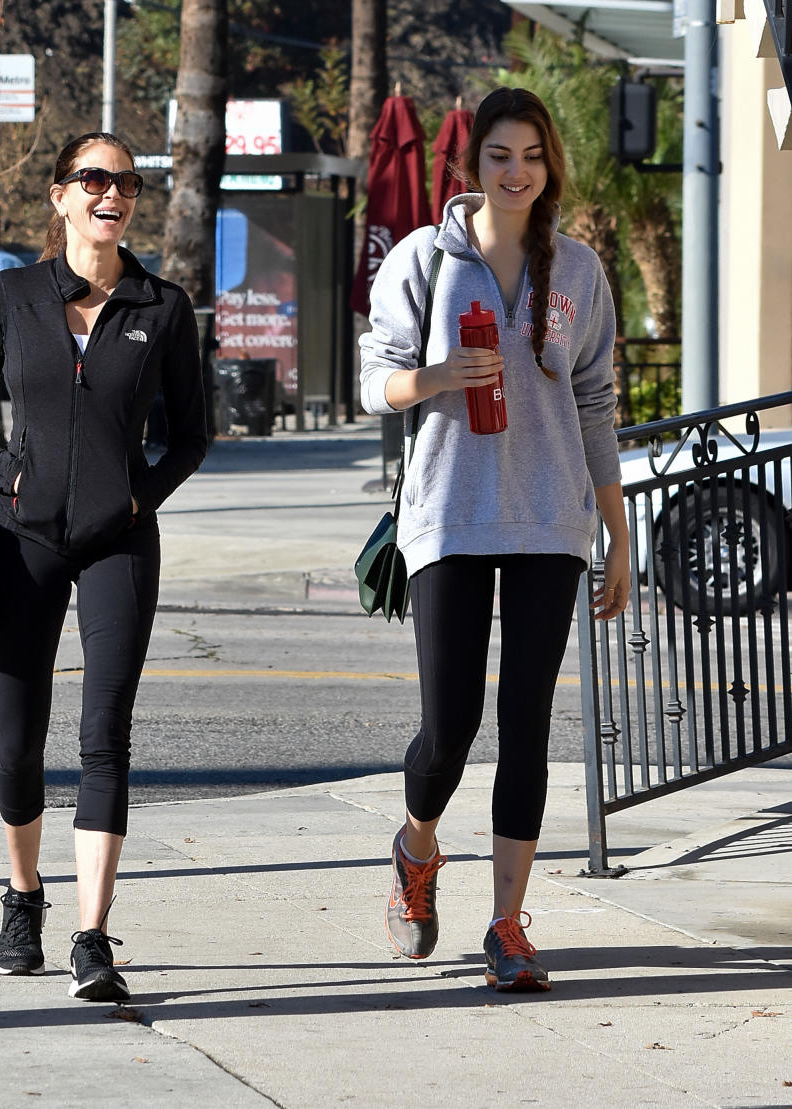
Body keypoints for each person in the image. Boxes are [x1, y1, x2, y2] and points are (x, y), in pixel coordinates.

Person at [357, 87, 630, 991]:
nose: (517, 173)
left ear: (551, 168)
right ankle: (417, 845)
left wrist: (618, 534)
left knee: (525, 726)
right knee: (449, 727)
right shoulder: (422, 260)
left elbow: (595, 405)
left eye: (534, 157)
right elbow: (375, 382)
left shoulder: (579, 271)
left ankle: (508, 923)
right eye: (501, 156)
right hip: (450, 513)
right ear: (471, 165)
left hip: (553, 518)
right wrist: (434, 375)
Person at [0, 132, 208, 1003]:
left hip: (119, 542)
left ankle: (92, 935)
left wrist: (142, 497)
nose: (112, 193)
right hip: (24, 541)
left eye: (125, 182)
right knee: (19, 742)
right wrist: (9, 473)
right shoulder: (14, 296)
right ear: (59, 197)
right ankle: (23, 899)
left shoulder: (160, 305)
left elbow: (193, 434)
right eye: (93, 179)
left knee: (106, 734)